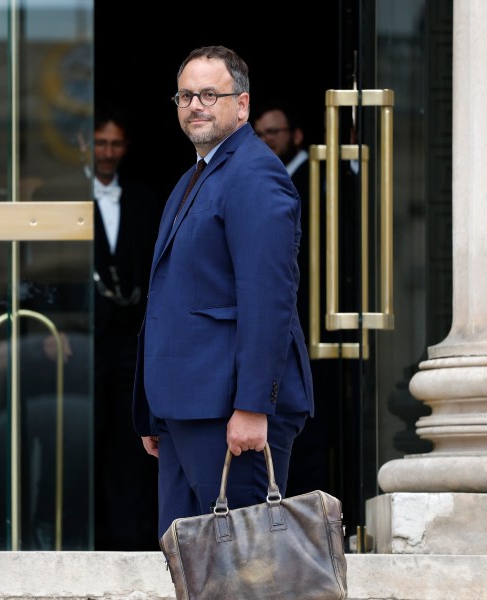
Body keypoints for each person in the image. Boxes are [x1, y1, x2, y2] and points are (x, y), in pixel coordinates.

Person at [133, 45, 314, 538]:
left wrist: (254, 406)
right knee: (194, 571)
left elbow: (268, 298)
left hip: (232, 413)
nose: (196, 105)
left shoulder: (254, 174)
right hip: (185, 410)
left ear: (243, 104)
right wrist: (153, 409)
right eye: (186, 95)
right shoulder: (195, 176)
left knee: (244, 570)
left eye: (211, 94)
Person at [254, 103, 339, 497]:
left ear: (297, 136)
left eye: (275, 132)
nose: (267, 140)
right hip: (285, 323)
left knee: (318, 433)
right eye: (261, 134)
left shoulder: (320, 176)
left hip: (319, 318)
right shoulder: (256, 180)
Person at [91, 104, 163, 550]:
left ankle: (126, 537)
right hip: (79, 343)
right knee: (82, 435)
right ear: (87, 144)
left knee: (128, 441)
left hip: (131, 341)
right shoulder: (63, 196)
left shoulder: (144, 198)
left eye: (116, 143)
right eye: (101, 142)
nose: (108, 152)